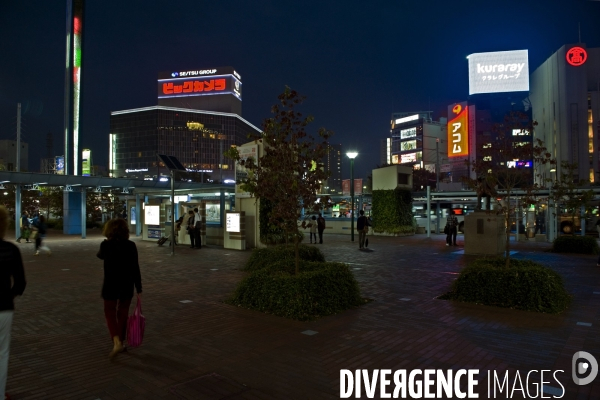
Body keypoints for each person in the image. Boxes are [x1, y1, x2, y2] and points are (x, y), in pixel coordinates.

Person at [96, 218, 142, 359]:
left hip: (110, 284)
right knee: (123, 313)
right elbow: (135, 268)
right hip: (127, 284)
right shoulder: (131, 245)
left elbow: (100, 256)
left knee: (109, 312)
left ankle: (116, 340)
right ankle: (121, 342)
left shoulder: (106, 246)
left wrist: (106, 244)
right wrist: (139, 288)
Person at [0, 205, 27, 400]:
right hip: (3, 307)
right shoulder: (10, 250)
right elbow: (20, 283)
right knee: (2, 353)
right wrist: (9, 295)